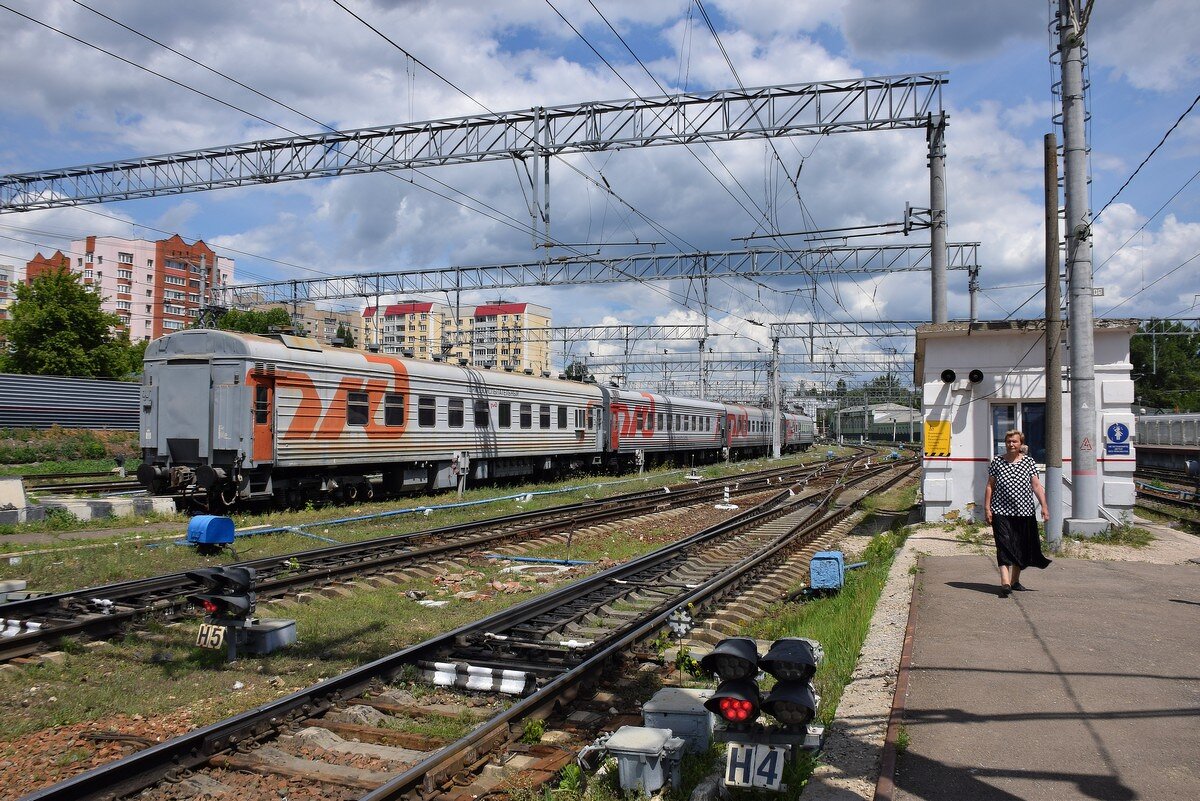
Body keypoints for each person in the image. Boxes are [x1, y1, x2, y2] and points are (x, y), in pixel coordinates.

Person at [984, 429, 1051, 597]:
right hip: (1001, 511)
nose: (1011, 444)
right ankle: (1005, 582)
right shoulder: (997, 462)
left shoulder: (1029, 462)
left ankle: (1014, 581)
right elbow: (990, 486)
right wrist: (987, 508)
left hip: (1024, 512)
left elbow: (1036, 486)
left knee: (1020, 547)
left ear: (1021, 444)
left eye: (1014, 441)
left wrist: (1044, 506)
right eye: (1008, 442)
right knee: (1003, 545)